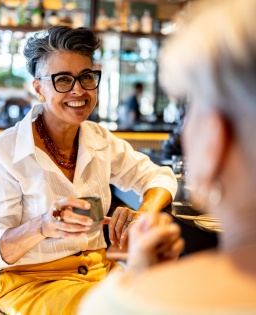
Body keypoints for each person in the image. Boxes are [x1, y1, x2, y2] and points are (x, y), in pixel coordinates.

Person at [0, 26, 179, 315]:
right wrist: (43, 225)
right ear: (38, 88)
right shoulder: (3, 151)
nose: (79, 90)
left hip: (99, 273)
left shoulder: (100, 139)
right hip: (33, 284)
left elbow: (160, 177)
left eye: (86, 77)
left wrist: (143, 214)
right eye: (62, 80)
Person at [79, 0, 256, 313]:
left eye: (193, 113)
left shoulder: (121, 303)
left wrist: (140, 279)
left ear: (214, 138)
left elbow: (156, 174)